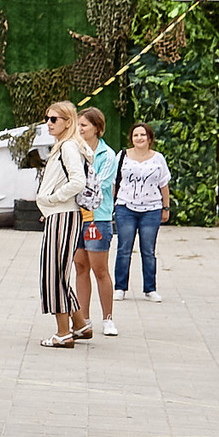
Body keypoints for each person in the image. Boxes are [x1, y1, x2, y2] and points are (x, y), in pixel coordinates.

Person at [35, 102, 91, 348]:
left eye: (54, 119)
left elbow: (78, 181)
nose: (49, 123)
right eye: (47, 118)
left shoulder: (68, 146)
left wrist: (53, 199)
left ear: (68, 122)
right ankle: (80, 325)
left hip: (63, 215)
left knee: (53, 275)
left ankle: (63, 333)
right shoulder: (65, 145)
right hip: (59, 215)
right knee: (57, 273)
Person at [112, 123, 172, 302]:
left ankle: (150, 288)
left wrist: (166, 207)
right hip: (125, 207)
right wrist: (111, 205)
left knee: (148, 250)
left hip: (151, 209)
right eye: (135, 135)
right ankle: (120, 287)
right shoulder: (122, 156)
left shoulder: (158, 158)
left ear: (149, 138)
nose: (139, 138)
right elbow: (114, 182)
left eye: (143, 135)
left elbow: (164, 184)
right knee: (124, 249)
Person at [73, 105, 119, 335]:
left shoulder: (107, 155)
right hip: (75, 217)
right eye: (78, 125)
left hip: (97, 218)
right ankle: (84, 319)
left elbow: (98, 183)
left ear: (97, 128)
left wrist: (75, 185)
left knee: (100, 269)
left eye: (84, 125)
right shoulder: (73, 150)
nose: (79, 129)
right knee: (80, 267)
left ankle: (108, 318)